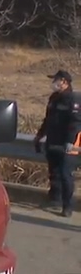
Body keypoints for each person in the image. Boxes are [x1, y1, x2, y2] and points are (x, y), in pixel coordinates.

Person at [34, 69, 81, 217]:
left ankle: (67, 206)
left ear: (64, 82)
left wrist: (70, 141)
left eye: (56, 80)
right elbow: (48, 120)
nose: (53, 83)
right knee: (54, 173)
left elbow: (75, 123)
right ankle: (55, 199)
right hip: (53, 141)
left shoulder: (73, 100)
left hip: (68, 144)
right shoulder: (54, 98)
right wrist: (40, 136)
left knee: (66, 174)